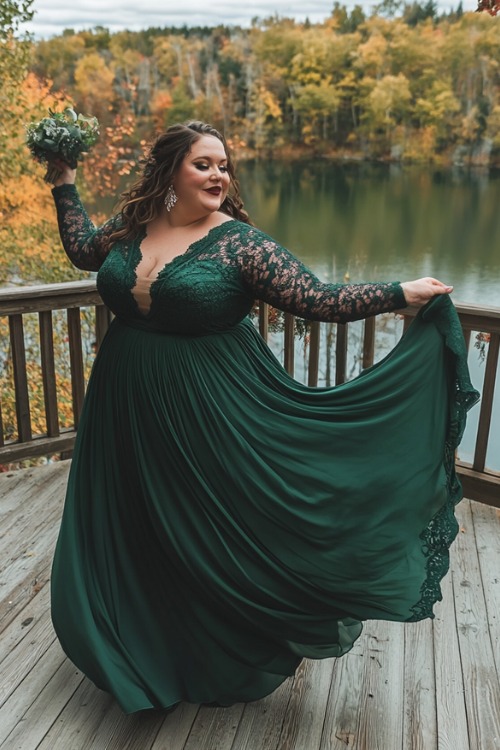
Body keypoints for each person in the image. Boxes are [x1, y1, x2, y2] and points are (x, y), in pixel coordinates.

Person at [49, 120, 478, 715]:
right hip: (123, 399)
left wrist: (400, 292)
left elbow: (318, 300)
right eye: (204, 164)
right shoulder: (131, 229)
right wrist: (63, 180)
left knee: (199, 522)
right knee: (131, 514)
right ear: (170, 170)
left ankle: (206, 647)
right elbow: (79, 249)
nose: (219, 174)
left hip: (207, 406)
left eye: (224, 165)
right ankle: (131, 640)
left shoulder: (241, 245)